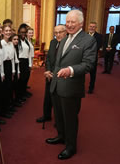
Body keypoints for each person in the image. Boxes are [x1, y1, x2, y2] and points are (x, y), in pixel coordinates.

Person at [46, 10, 97, 160]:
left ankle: (71, 147)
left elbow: (88, 64)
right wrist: (51, 74)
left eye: (72, 22)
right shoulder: (64, 39)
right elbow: (58, 62)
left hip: (71, 87)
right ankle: (61, 136)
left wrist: (71, 70)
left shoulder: (88, 40)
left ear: (81, 23)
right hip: (56, 84)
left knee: (70, 119)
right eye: (67, 21)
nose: (69, 25)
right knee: (59, 116)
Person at [36, 25, 67, 123]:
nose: (58, 35)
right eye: (56, 33)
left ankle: (59, 120)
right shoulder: (53, 42)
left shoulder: (68, 44)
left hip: (61, 76)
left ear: (65, 32)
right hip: (50, 75)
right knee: (48, 97)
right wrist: (47, 70)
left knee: (59, 100)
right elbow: (48, 58)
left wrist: (57, 73)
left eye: (60, 32)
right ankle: (46, 115)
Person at [87, 22, 102, 94]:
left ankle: (91, 88)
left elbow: (97, 46)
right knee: (80, 73)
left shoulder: (99, 36)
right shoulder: (84, 35)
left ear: (96, 28)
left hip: (93, 58)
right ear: (88, 27)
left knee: (93, 74)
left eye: (93, 27)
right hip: (83, 58)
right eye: (90, 26)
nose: (92, 28)